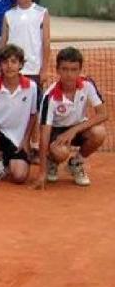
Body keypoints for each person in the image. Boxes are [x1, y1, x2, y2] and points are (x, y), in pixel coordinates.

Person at [33, 47, 107, 189]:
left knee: (99, 133)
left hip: (78, 127)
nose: (69, 74)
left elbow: (103, 114)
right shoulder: (50, 96)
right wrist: (41, 173)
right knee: (61, 153)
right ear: (57, 70)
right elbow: (44, 134)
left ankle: (76, 163)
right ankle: (52, 161)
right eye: (65, 69)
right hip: (56, 132)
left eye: (74, 69)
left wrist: (74, 130)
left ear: (80, 70)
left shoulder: (88, 84)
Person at [0, 44, 39, 185]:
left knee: (19, 177)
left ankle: (7, 162)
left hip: (18, 140)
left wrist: (26, 140)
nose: (9, 66)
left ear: (20, 65)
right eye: (5, 62)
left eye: (13, 61)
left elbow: (33, 115)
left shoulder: (32, 87)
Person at [0, 0, 50, 88]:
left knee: (34, 104)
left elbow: (46, 42)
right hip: (12, 69)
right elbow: (3, 41)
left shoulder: (42, 12)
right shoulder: (8, 14)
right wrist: (1, 64)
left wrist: (44, 69)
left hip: (34, 69)